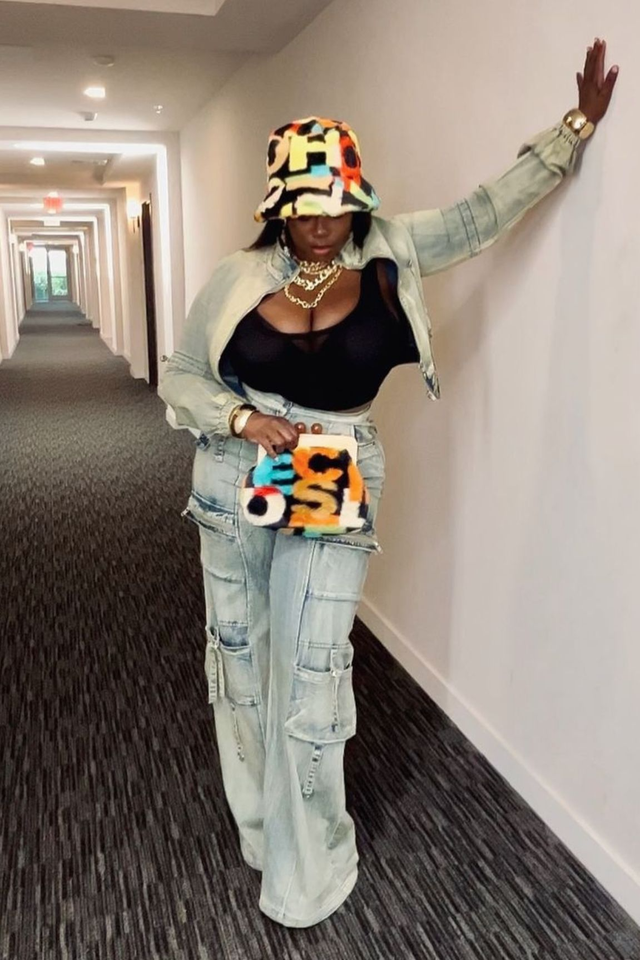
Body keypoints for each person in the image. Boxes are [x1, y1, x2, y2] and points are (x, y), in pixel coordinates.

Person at [159, 39, 618, 928]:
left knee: (312, 666)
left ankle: (306, 867)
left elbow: (485, 213)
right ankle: (260, 828)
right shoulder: (236, 277)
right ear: (278, 207)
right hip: (236, 466)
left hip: (330, 469)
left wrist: (571, 133)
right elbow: (181, 376)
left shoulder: (393, 250)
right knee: (242, 656)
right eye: (304, 206)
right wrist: (240, 418)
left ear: (356, 198)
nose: (321, 223)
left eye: (336, 204)